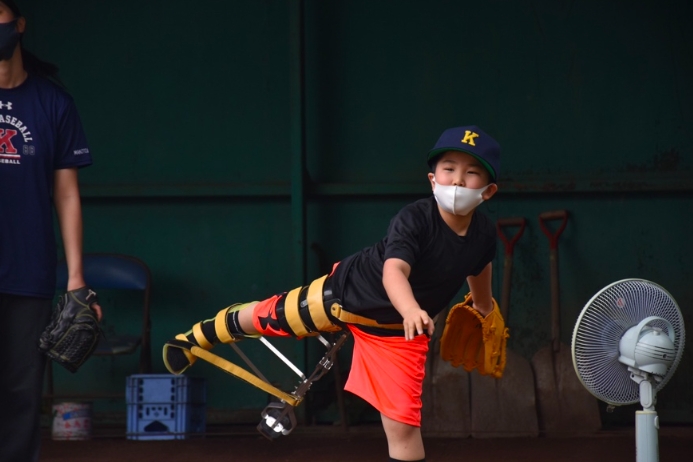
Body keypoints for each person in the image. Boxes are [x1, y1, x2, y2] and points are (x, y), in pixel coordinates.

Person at [164, 124, 501, 462]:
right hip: (346, 296)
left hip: (397, 334)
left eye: (471, 173)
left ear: (487, 191)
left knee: (403, 425)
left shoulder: (484, 233)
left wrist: (485, 308)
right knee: (271, 316)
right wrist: (411, 308)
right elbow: (394, 270)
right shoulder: (414, 218)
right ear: (432, 180)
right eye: (448, 169)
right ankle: (198, 336)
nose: (457, 180)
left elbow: (478, 264)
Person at [0, 2, 101, 461]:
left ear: (19, 25)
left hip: (29, 273)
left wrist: (75, 277)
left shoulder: (52, 102)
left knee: (22, 396)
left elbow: (66, 195)